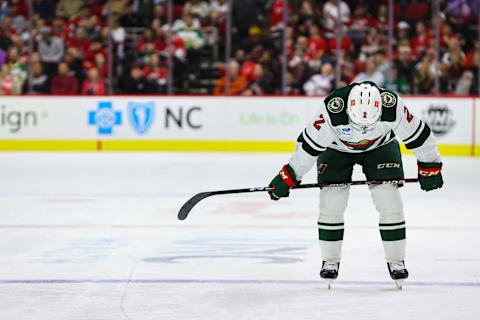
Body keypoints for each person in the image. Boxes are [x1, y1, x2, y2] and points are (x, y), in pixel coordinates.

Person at [267, 81, 443, 289]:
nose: (364, 130)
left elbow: (420, 136)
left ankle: (396, 260)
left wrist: (430, 165)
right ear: (349, 109)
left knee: (389, 201)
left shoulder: (392, 105)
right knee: (332, 203)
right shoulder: (333, 109)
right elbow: (308, 148)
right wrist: (289, 175)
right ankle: (330, 259)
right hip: (336, 148)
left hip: (381, 145)